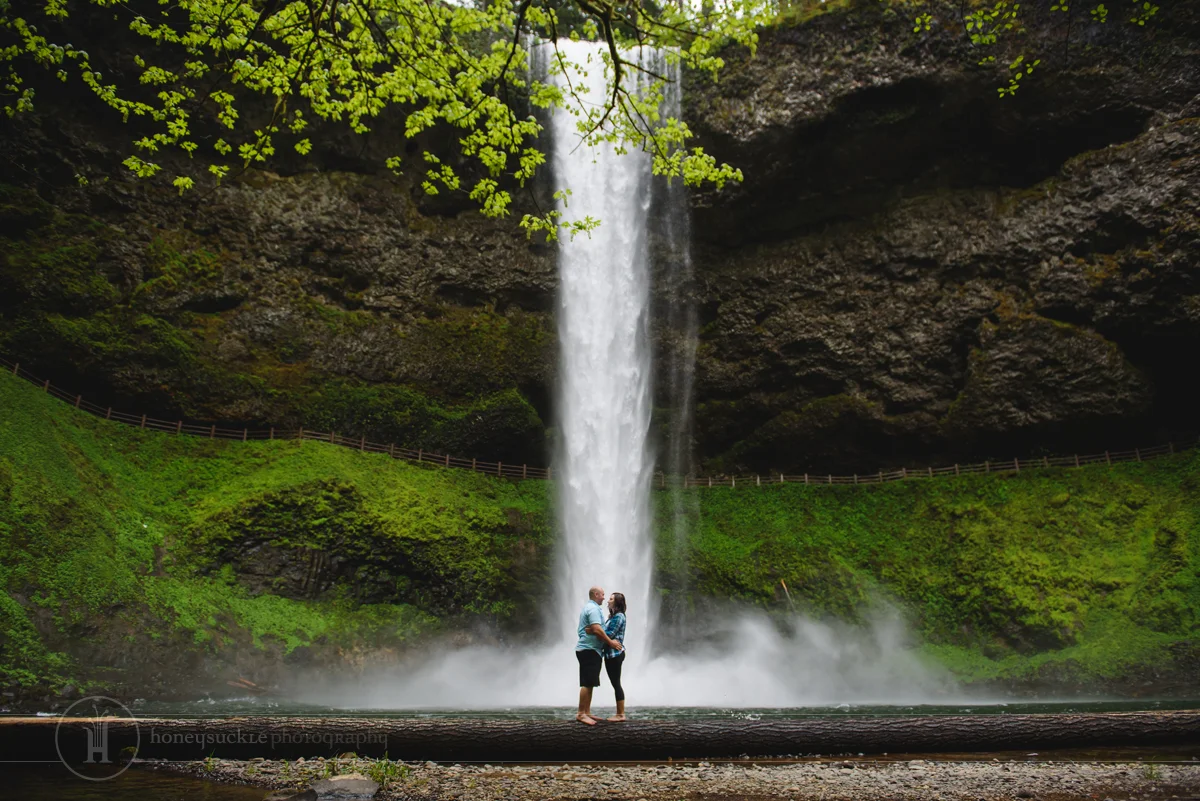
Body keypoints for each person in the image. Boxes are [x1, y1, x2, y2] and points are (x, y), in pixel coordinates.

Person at [575, 585, 623, 725]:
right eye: (602, 594)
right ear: (596, 594)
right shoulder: (593, 609)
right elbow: (596, 629)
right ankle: (581, 713)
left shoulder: (593, 608)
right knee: (587, 682)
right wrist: (611, 643)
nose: (604, 597)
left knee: (590, 682)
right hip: (588, 649)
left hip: (592, 649)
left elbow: (596, 629)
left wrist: (595, 631)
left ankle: (587, 711)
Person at [603, 592, 628, 721]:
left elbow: (610, 634)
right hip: (611, 654)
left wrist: (593, 631)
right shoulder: (613, 616)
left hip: (615, 654)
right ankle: (619, 713)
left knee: (616, 683)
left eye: (611, 599)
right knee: (615, 683)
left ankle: (620, 714)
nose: (608, 601)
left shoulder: (618, 616)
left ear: (617, 602)